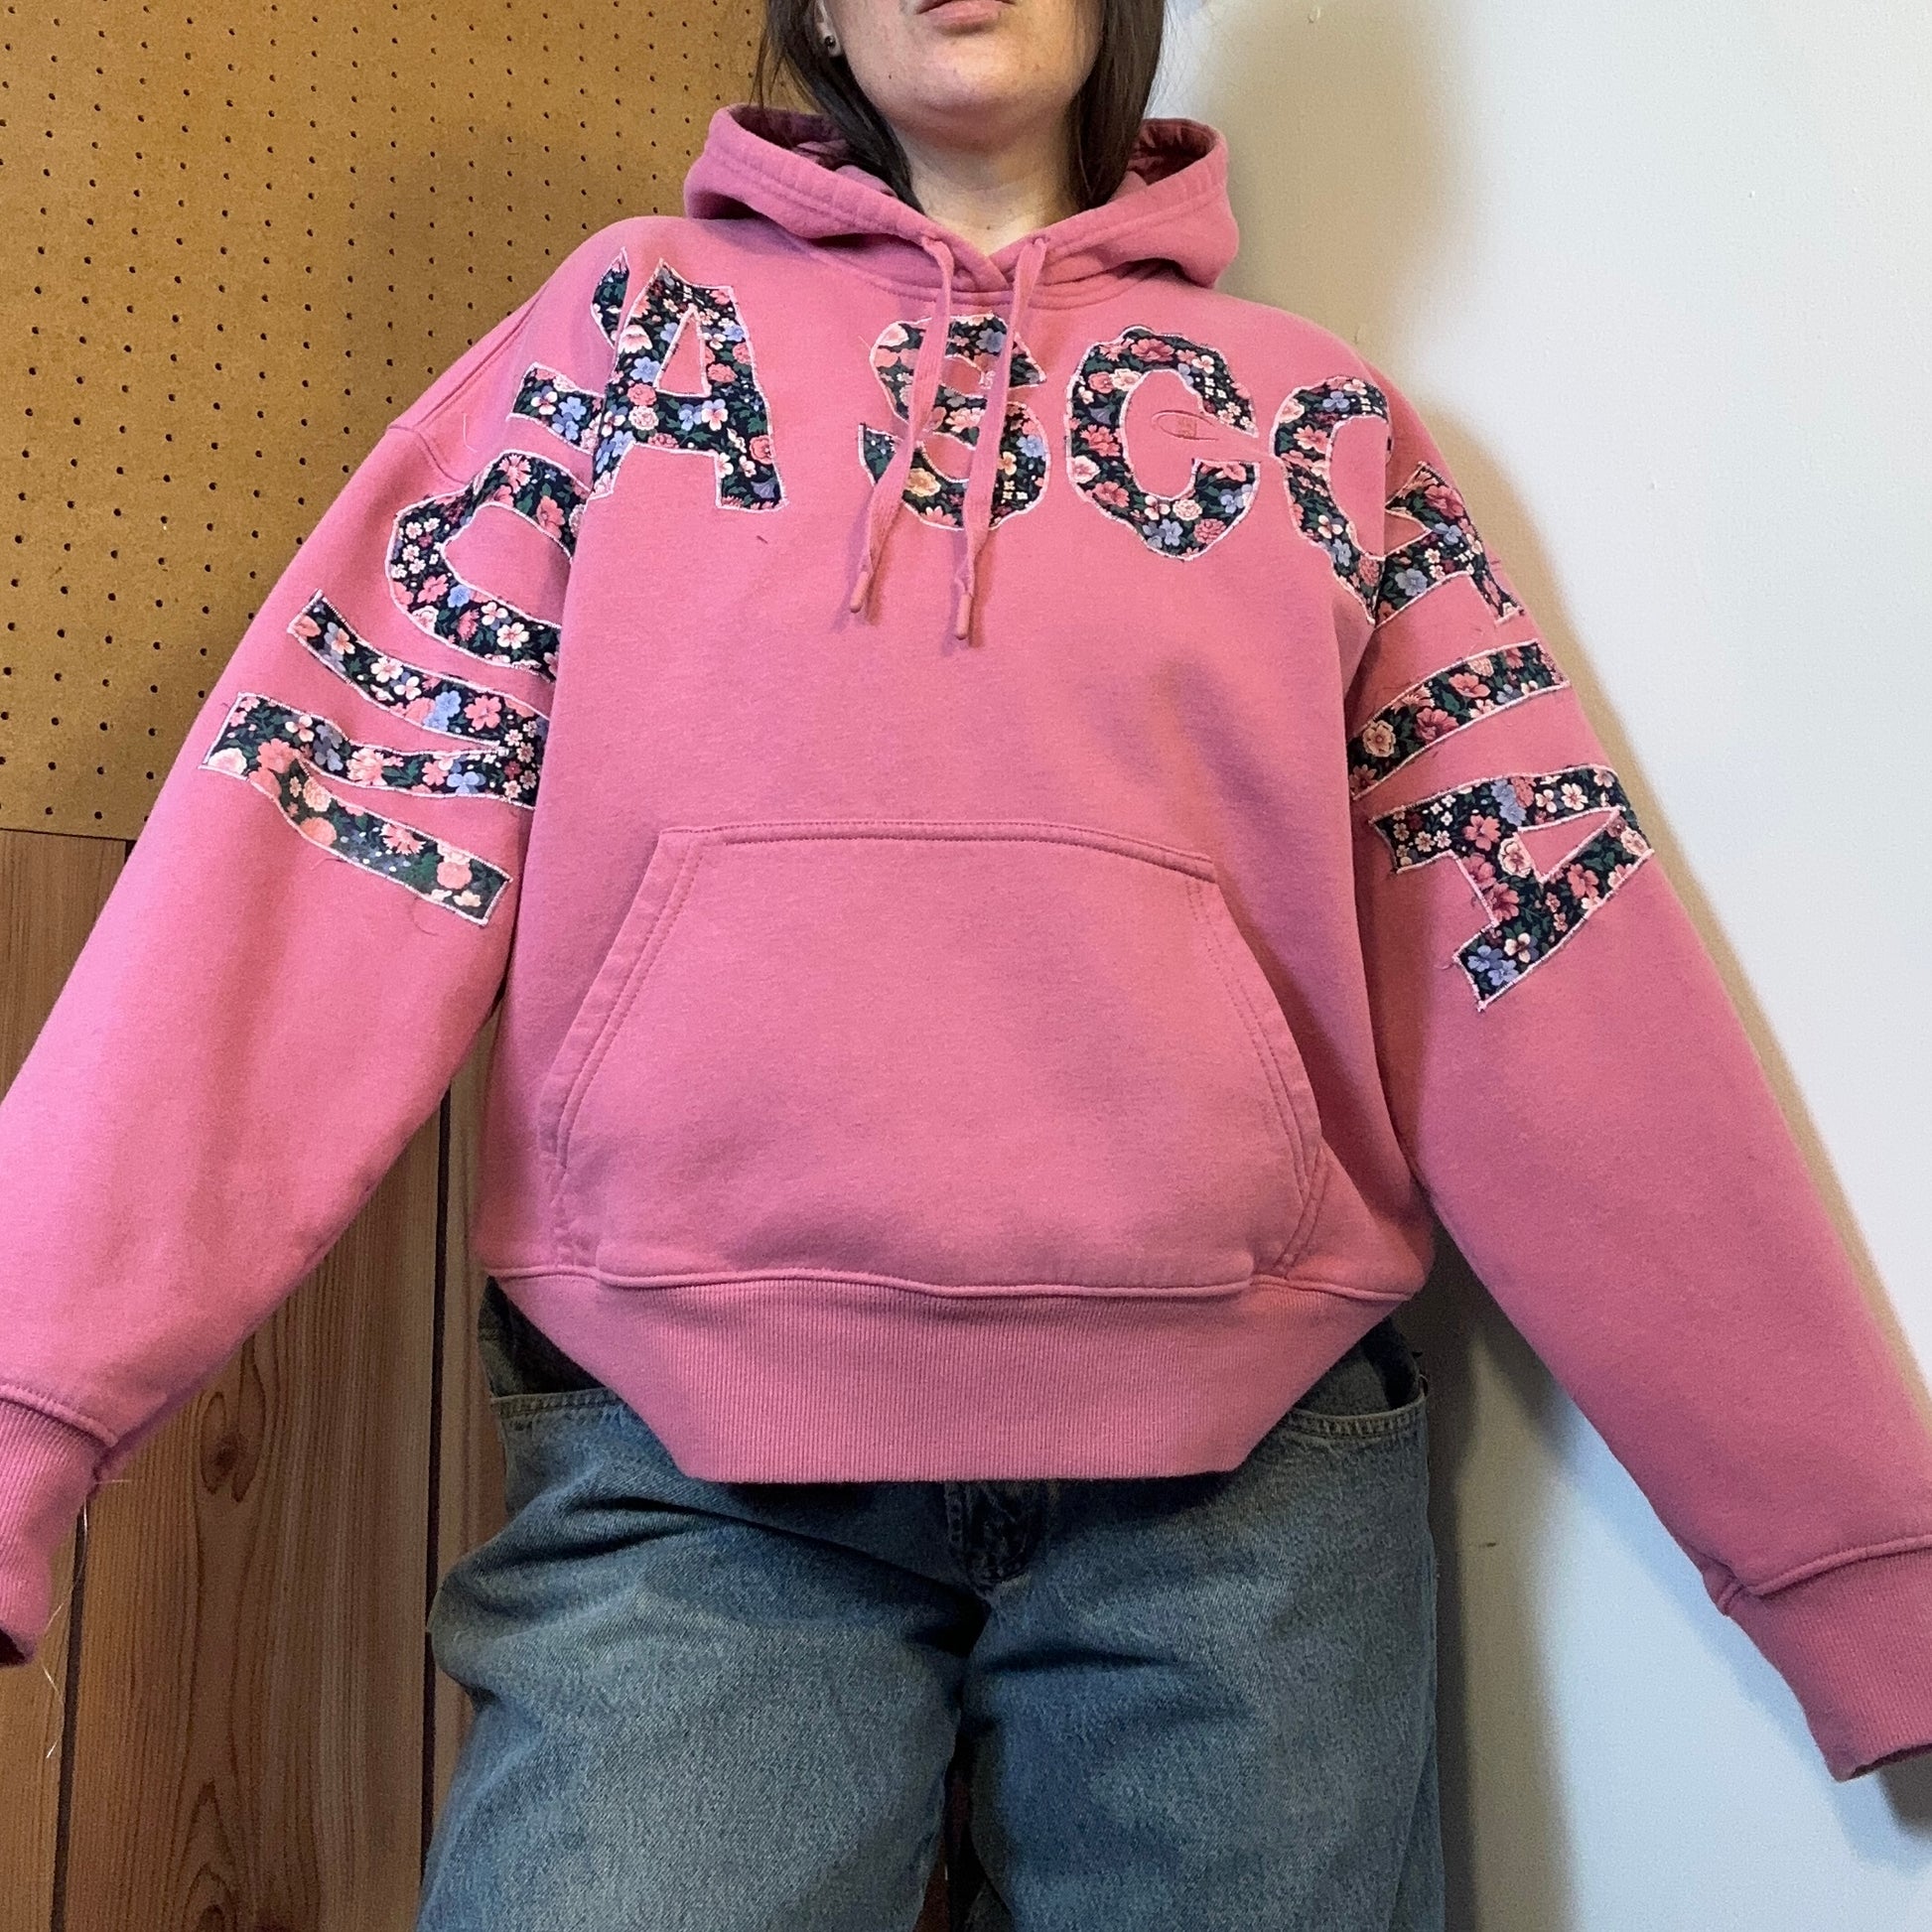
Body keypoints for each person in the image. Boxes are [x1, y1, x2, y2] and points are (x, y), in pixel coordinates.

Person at [1, 0, 1930, 1926]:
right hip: (690, 1459)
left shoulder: (1315, 422)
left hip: (1250, 1482)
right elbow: (317, 853)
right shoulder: (626, 337)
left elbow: (1550, 963)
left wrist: (1857, 1565)